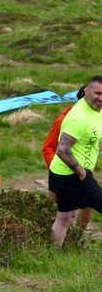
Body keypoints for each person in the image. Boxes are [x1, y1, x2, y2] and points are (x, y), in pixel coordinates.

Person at [48, 77, 102, 247]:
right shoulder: (78, 118)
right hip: (71, 175)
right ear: (87, 90)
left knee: (65, 217)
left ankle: (53, 254)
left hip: (63, 172)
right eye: (97, 93)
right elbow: (62, 149)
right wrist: (83, 173)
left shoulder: (95, 109)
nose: (101, 98)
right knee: (66, 217)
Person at [43, 88, 93, 228]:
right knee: (58, 212)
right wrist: (57, 170)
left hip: (84, 171)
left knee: (88, 203)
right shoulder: (65, 120)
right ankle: (48, 234)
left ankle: (78, 235)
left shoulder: (94, 118)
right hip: (62, 174)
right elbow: (48, 148)